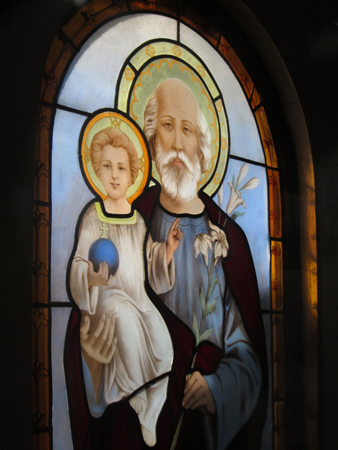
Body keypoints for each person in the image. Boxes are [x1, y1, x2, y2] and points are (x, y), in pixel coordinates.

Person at [132, 78, 268, 449]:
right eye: (167, 125)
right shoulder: (131, 223)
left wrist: (217, 389)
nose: (177, 143)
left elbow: (249, 356)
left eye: (187, 129)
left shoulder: (229, 240)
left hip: (201, 429)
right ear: (151, 140)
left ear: (203, 149)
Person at [69, 127, 182, 447]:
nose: (115, 176)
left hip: (138, 299)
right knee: (124, 323)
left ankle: (150, 412)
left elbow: (149, 261)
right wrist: (90, 278)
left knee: (163, 344)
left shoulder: (136, 221)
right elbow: (79, 262)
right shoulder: (93, 216)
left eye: (121, 168)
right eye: (107, 167)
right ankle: (136, 400)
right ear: (96, 169)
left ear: (133, 175)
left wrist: (168, 251)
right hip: (106, 301)